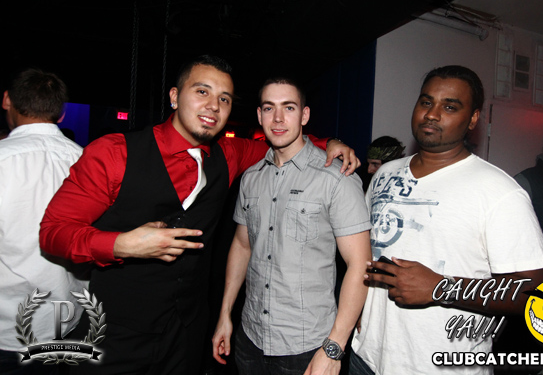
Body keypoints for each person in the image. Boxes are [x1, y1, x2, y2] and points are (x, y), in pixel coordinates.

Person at [39, 55, 359, 374]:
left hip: (187, 334)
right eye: (202, 92)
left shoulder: (229, 154)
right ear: (175, 96)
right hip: (116, 334)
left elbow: (284, 142)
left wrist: (331, 143)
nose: (213, 106)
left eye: (224, 99)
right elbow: (52, 232)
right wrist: (122, 244)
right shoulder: (114, 153)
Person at [350, 65, 543, 374]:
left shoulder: (500, 191)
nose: (432, 114)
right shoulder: (385, 174)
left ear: (473, 119)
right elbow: (366, 254)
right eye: (426, 102)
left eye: (450, 106)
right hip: (366, 357)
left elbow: (538, 295)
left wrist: (442, 287)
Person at [211, 78, 371, 375]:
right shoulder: (251, 178)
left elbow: (360, 265)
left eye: (289, 108)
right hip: (250, 337)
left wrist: (334, 348)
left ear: (304, 115)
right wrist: (225, 314)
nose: (278, 118)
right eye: (269, 108)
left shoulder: (337, 178)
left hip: (307, 347)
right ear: (259, 116)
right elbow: (242, 246)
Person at [0, 68, 88, 374]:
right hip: (70, 323)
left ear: (6, 100)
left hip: (7, 330)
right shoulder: (86, 162)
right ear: (61, 115)